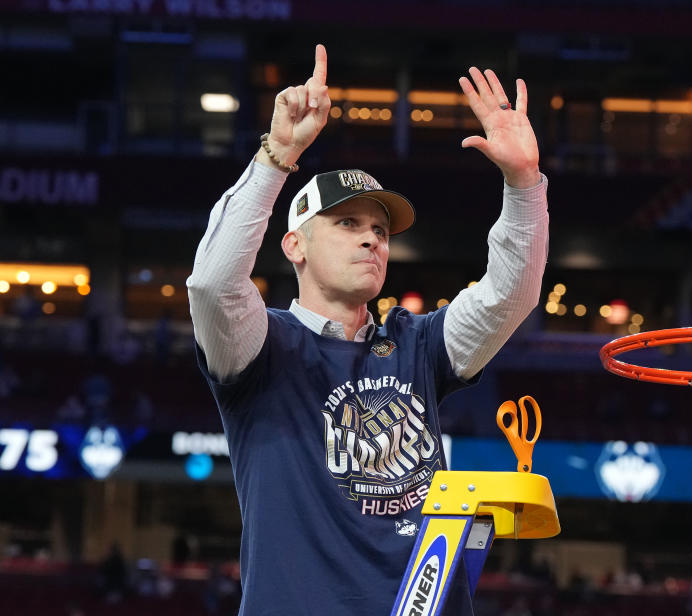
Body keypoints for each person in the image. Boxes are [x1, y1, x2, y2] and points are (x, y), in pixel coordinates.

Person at [187, 44, 548, 615]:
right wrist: (277, 155)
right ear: (294, 245)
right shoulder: (262, 346)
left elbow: (512, 294)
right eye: (348, 223)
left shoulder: (417, 343)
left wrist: (524, 182)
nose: (371, 239)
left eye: (380, 229)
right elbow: (211, 284)